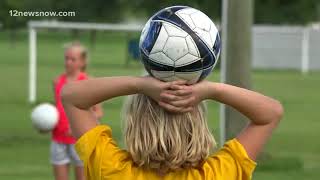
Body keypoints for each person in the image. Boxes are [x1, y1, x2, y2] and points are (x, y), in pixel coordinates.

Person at [61, 76, 283, 180]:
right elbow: (271, 113)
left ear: (136, 123)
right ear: (197, 125)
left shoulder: (111, 169)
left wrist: (140, 84)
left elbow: (71, 96)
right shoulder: (217, 175)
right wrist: (212, 90)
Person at [52, 42, 103, 180]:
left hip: (79, 141)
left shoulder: (88, 82)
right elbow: (57, 108)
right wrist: (48, 121)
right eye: (66, 58)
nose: (68, 62)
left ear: (82, 62)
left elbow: (98, 112)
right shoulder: (57, 81)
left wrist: (76, 126)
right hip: (58, 139)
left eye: (72, 59)